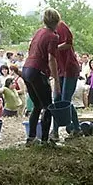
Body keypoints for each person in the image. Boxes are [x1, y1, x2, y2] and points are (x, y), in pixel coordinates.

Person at [22, 9, 60, 146]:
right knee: (48, 106)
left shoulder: (38, 32)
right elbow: (51, 59)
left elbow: (30, 48)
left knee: (37, 105)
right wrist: (56, 80)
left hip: (26, 69)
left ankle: (31, 138)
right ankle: (45, 140)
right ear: (57, 22)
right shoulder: (53, 36)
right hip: (37, 70)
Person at [52, 19, 82, 139]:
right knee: (57, 100)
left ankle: (75, 128)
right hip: (59, 69)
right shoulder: (48, 31)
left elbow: (69, 43)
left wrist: (55, 47)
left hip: (69, 68)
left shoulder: (61, 26)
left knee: (65, 100)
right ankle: (55, 132)